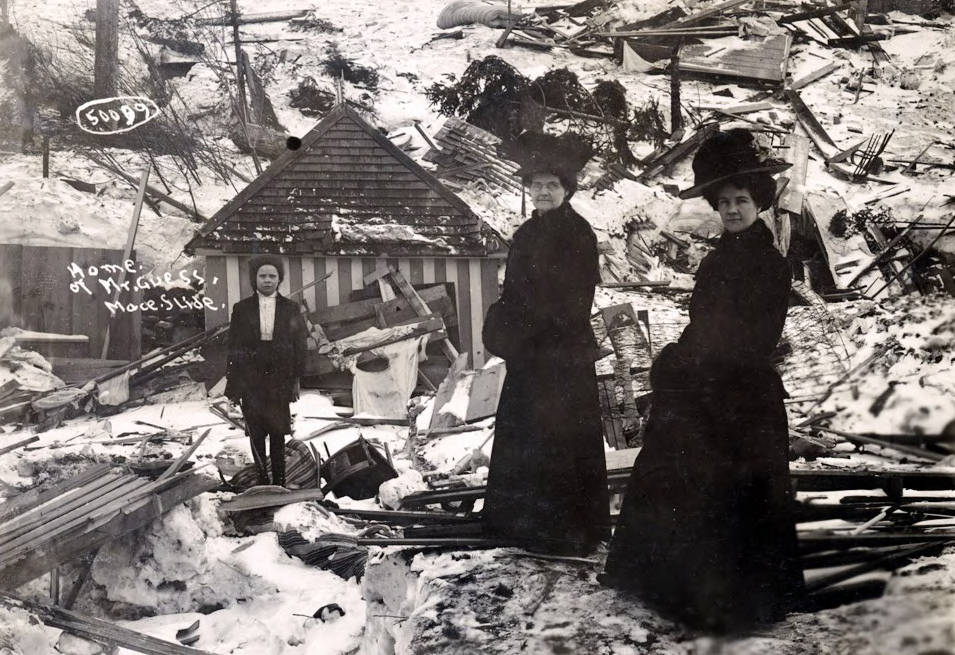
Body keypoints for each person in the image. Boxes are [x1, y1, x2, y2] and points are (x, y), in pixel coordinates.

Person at [600, 129, 804, 632]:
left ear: (758, 203)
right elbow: (704, 326)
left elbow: (751, 339)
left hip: (741, 396)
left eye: (741, 200)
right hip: (709, 384)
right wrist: (678, 358)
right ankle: (675, 586)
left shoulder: (769, 265)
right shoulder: (721, 256)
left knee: (730, 493)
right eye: (725, 201)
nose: (732, 210)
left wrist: (686, 364)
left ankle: (732, 605)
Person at [481, 132, 610, 556]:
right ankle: (519, 524)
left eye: (552, 185)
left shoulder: (579, 234)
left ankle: (568, 530)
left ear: (567, 190)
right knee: (524, 436)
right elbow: (513, 293)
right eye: (536, 185)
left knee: (561, 439)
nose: (543, 192)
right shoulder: (524, 235)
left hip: (563, 356)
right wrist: (501, 325)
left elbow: (574, 302)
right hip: (529, 357)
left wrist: (529, 333)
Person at [225, 255, 307, 487]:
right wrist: (234, 385)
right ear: (255, 278)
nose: (268, 281)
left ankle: (279, 483)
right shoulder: (242, 309)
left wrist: (296, 379)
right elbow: (234, 347)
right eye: (263, 276)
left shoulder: (291, 308)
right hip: (251, 378)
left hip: (280, 378)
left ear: (279, 279)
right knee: (257, 432)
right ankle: (262, 481)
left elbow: (300, 346)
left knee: (278, 432)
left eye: (273, 276)